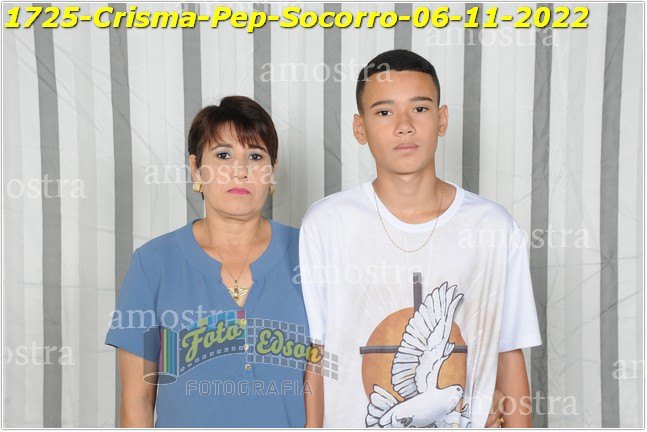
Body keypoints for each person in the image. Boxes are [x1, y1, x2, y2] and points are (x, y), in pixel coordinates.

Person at [300, 50, 542, 428]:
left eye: (420, 109)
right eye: (384, 112)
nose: (404, 126)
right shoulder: (327, 223)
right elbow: (318, 350)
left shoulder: (492, 227)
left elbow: (509, 351)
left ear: (441, 119)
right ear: (360, 128)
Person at [105, 96, 313, 427]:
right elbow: (137, 399)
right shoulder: (153, 264)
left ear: (272, 172)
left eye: (255, 156)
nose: (240, 171)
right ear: (195, 168)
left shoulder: (310, 253)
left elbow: (327, 379)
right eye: (223, 155)